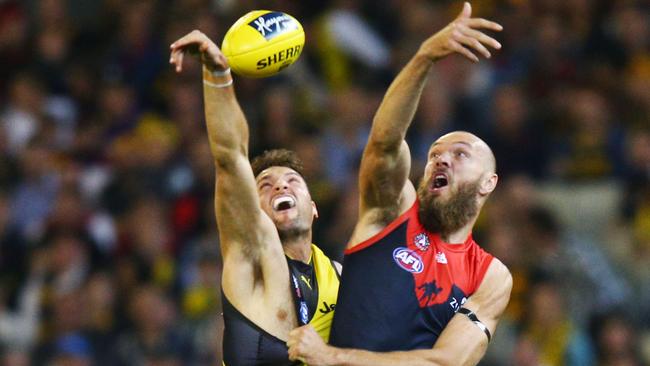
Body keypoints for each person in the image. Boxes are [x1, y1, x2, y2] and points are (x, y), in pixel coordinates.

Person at [287, 3, 512, 365]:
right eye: (436, 153)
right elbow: (385, 142)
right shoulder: (393, 212)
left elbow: (448, 362)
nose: (441, 158)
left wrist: (333, 357)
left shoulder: (490, 275)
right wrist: (424, 57)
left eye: (460, 154)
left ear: (489, 182)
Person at [169, 31, 341, 366]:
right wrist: (218, 76)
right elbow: (230, 158)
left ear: (314, 207)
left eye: (293, 181)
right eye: (265, 185)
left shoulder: (340, 277)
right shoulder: (250, 254)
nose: (281, 187)